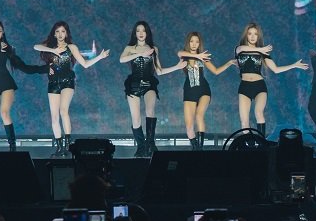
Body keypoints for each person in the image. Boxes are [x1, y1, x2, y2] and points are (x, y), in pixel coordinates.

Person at [33, 21, 110, 157]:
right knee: (54, 116)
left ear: (66, 33)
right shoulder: (49, 47)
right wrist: (52, 50)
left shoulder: (71, 47)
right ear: (54, 34)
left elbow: (85, 64)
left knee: (63, 111)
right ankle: (59, 147)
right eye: (57, 31)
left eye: (63, 31)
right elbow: (36, 46)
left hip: (67, 82)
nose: (60, 34)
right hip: (53, 83)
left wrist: (100, 56)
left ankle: (68, 145)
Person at [0, 20, 47, 151]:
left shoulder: (7, 48)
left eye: (0, 31)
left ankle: (12, 147)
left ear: (3, 33)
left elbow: (24, 67)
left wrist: (45, 69)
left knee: (4, 113)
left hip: (5, 83)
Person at [232, 22, 308, 137]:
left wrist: (294, 65)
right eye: (250, 34)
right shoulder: (239, 49)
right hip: (244, 86)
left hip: (259, 86)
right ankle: (249, 143)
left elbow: (276, 69)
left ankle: (261, 142)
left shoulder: (263, 52)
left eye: (255, 34)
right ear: (246, 35)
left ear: (258, 36)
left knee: (258, 112)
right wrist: (261, 49)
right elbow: (242, 48)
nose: (252, 36)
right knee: (244, 121)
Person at [120, 21, 184, 157]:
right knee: (136, 118)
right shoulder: (130, 48)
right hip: (134, 83)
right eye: (138, 30)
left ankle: (150, 143)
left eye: (143, 30)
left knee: (150, 110)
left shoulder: (153, 49)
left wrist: (177, 67)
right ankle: (141, 146)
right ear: (135, 33)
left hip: (149, 83)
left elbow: (159, 71)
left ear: (147, 33)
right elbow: (122, 60)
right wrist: (140, 54)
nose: (141, 33)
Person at [173, 32, 232, 150]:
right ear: (188, 43)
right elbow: (179, 53)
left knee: (199, 115)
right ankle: (196, 148)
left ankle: (200, 149)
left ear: (199, 44)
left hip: (204, 90)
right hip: (189, 92)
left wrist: (229, 63)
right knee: (189, 127)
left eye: (197, 42)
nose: (194, 44)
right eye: (191, 41)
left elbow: (216, 71)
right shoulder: (184, 56)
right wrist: (197, 56)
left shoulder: (203, 57)